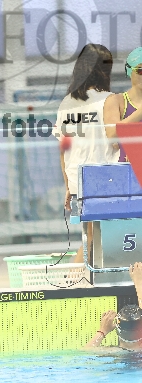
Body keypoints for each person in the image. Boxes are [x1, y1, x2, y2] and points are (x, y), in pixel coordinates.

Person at [55, 43, 118, 264]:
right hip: (104, 179)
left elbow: (63, 149)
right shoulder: (109, 100)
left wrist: (69, 186)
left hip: (78, 180)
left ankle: (78, 277)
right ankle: (68, 279)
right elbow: (115, 141)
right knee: (93, 238)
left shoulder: (67, 102)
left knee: (93, 236)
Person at [85, 262, 142, 350]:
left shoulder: (112, 352)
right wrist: (139, 283)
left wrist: (102, 331)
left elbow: (86, 352)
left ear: (117, 329)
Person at [104, 47, 142, 162]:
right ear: (129, 71)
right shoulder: (117, 101)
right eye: (140, 70)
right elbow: (111, 134)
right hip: (126, 171)